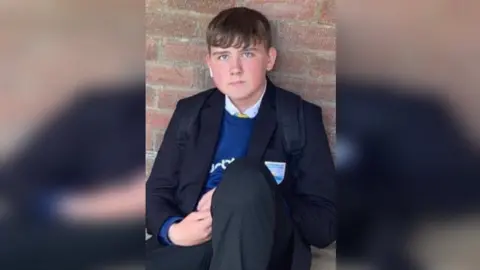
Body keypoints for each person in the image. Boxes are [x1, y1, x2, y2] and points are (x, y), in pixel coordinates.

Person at [146, 7, 336, 270]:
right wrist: (173, 230)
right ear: (210, 64)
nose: (235, 68)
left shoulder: (300, 117)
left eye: (247, 53)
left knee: (244, 178)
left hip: (264, 248)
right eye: (223, 56)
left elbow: (325, 223)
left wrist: (247, 198)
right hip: (193, 243)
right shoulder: (190, 113)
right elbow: (154, 192)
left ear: (270, 59)